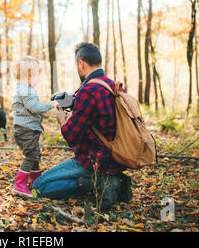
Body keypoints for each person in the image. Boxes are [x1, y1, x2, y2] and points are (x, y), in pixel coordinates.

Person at [32, 42, 132, 210]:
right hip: (115, 159)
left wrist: (61, 118)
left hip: (92, 162)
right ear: (98, 62)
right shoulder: (112, 86)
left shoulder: (88, 90)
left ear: (81, 64)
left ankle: (98, 184)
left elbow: (71, 137)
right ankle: (111, 180)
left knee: (38, 187)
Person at [11, 56, 59, 197]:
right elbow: (34, 107)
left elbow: (32, 110)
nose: (39, 79)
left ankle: (36, 181)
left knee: (35, 155)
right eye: (38, 75)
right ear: (29, 75)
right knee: (31, 156)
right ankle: (19, 185)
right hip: (25, 130)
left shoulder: (25, 89)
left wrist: (51, 112)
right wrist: (51, 104)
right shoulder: (25, 90)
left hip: (27, 129)